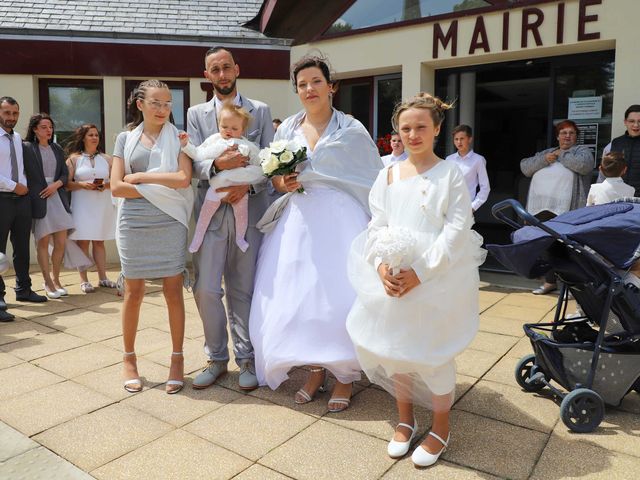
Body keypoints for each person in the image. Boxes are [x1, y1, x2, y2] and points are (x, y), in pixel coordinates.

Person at [347, 93, 484, 467]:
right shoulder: (387, 173)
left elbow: (457, 229)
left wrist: (422, 273)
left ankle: (441, 424)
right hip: (393, 272)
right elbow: (378, 223)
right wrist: (380, 267)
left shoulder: (449, 174)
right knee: (397, 349)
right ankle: (405, 418)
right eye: (405, 128)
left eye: (421, 126)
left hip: (435, 273)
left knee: (431, 350)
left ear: (437, 129)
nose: (413, 133)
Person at [249, 54, 382, 412]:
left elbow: (371, 176)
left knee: (339, 297)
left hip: (341, 219)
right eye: (302, 84)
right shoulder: (287, 129)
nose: (309, 89)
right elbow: (273, 178)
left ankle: (344, 375)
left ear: (331, 86)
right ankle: (314, 370)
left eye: (316, 82)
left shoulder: (351, 129)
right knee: (302, 298)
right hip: (299, 220)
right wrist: (283, 181)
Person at [187, 46, 275, 391]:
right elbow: (191, 161)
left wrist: (248, 188)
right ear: (207, 76)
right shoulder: (196, 114)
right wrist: (216, 166)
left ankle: (247, 358)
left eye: (226, 67)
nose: (222, 74)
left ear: (236, 69)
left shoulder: (261, 111)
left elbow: (270, 162)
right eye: (214, 69)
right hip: (209, 213)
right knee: (206, 288)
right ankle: (216, 358)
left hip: (248, 212)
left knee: (243, 288)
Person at [111, 79, 194, 394]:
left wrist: (143, 178)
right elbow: (116, 186)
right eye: (156, 102)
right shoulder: (124, 139)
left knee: (174, 291)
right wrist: (160, 188)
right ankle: (129, 358)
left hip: (170, 219)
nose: (163, 109)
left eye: (168, 103)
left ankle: (177, 358)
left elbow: (183, 179)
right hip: (133, 223)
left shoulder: (181, 138)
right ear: (140, 104)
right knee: (133, 292)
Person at [520, 120, 594, 295]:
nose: (567, 136)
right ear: (557, 136)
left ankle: (572, 287)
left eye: (571, 133)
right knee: (547, 247)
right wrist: (545, 159)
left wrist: (562, 155)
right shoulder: (548, 152)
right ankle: (550, 282)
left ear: (576, 137)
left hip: (568, 209)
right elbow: (525, 167)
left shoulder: (582, 152)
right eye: (563, 133)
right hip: (542, 209)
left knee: (569, 248)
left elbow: (584, 166)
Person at [179, 102, 262, 254]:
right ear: (219, 125)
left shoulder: (248, 145)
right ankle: (197, 239)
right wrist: (185, 144)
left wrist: (252, 171)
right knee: (205, 214)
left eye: (234, 128)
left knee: (241, 215)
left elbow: (261, 164)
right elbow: (198, 154)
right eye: (224, 127)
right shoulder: (215, 141)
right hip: (217, 187)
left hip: (240, 188)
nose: (228, 131)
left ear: (242, 130)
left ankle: (240, 238)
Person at [0, 97, 47, 322]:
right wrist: (14, 186)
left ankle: (24, 290)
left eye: (15, 113)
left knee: (21, 248)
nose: (11, 118)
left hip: (21, 201)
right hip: (2, 198)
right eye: (7, 113)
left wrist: (25, 187)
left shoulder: (18, 138)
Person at [22, 113, 79, 299]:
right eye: (44, 127)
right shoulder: (27, 148)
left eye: (50, 127)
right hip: (38, 199)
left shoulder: (56, 148)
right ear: (35, 129)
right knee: (43, 242)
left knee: (61, 242)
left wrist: (56, 185)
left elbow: (64, 174)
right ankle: (47, 282)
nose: (49, 130)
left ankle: (56, 280)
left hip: (57, 197)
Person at [65, 124, 118, 293]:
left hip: (101, 204)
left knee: (99, 241)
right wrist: (81, 184)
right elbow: (66, 184)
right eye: (90, 135)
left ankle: (103, 277)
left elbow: (117, 182)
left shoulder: (108, 159)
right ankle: (84, 279)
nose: (95, 137)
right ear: (83, 138)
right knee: (83, 241)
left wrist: (105, 185)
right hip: (82, 204)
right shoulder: (73, 159)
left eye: (96, 135)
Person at [445, 124, 490, 212]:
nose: (459, 142)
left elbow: (485, 187)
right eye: (456, 139)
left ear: (469, 139)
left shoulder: (478, 160)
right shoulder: (449, 159)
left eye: (462, 139)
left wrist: (473, 207)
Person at [601, 105, 640, 194]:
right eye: (631, 121)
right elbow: (604, 173)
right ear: (625, 122)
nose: (636, 125)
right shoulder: (615, 143)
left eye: (639, 121)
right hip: (617, 197)